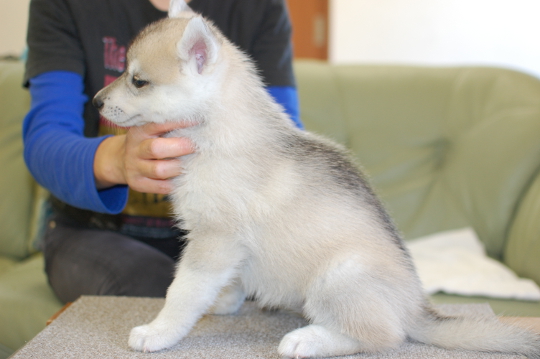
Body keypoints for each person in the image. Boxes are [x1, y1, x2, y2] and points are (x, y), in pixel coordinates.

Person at [23, 0, 302, 303]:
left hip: (223, 228)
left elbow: (282, 143)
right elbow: (44, 141)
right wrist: (117, 161)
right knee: (156, 295)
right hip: (97, 231)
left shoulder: (259, 7)